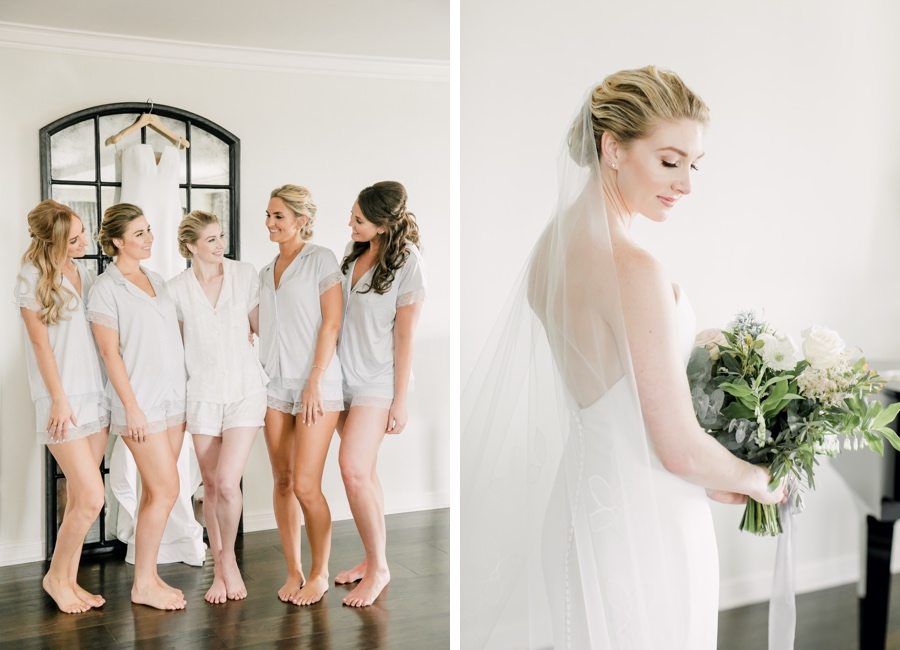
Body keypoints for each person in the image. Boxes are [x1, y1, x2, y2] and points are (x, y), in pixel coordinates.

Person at [461, 66, 786, 648]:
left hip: (579, 510)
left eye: (694, 165)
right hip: (646, 523)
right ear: (612, 149)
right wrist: (761, 479)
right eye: (670, 161)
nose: (686, 185)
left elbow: (617, 388)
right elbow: (677, 448)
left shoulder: (550, 249)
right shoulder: (634, 269)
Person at [87, 203, 188, 611]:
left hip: (173, 399)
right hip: (139, 404)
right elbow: (109, 354)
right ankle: (143, 584)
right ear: (117, 241)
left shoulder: (157, 279)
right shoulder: (106, 288)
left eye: (149, 230)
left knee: (155, 491)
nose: (150, 238)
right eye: (140, 233)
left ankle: (147, 577)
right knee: (166, 489)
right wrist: (131, 409)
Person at [168, 210, 268, 604]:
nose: (220, 245)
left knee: (227, 482)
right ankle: (221, 564)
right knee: (210, 485)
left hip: (245, 390)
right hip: (202, 395)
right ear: (190, 245)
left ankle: (228, 563)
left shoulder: (244, 275)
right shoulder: (176, 290)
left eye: (221, 236)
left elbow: (263, 328)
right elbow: (176, 350)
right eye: (211, 239)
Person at [15, 200, 109, 614]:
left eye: (82, 233)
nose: (84, 243)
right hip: (63, 400)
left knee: (79, 498)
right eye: (73, 239)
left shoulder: (83, 273)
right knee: (91, 496)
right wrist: (58, 399)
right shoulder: (31, 277)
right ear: (52, 241)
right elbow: (41, 346)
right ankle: (56, 577)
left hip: (96, 395)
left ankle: (69, 580)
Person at [335, 181, 426, 607]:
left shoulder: (408, 262)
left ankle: (380, 570)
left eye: (358, 219)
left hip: (378, 382)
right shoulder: (352, 253)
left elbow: (406, 336)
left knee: (352, 470)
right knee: (365, 474)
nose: (350, 224)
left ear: (384, 224)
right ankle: (373, 560)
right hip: (341, 377)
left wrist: (399, 400)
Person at [258, 185, 344, 605]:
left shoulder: (321, 260)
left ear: (301, 220)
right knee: (283, 481)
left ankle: (319, 573)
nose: (270, 223)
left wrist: (315, 379)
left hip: (317, 386)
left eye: (278, 216)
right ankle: (293, 570)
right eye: (268, 215)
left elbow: (332, 323)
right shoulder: (264, 271)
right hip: (274, 386)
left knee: (308, 485)